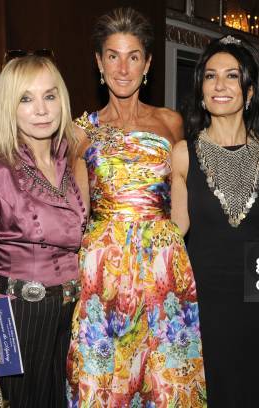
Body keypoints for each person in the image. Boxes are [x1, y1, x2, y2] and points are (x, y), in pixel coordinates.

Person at [66, 8, 207, 407]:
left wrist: (170, 248)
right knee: (102, 379)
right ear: (99, 62)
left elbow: (183, 204)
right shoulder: (82, 130)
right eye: (112, 55)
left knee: (167, 381)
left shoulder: (170, 124)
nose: (122, 68)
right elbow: (79, 213)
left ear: (147, 64)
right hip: (103, 271)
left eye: (133, 56)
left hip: (162, 268)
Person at [0, 55, 87, 407]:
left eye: (49, 96)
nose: (41, 109)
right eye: (26, 98)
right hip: (17, 318)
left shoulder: (69, 168)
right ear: (10, 107)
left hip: (66, 316)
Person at [171, 35, 259, 407]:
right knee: (212, 390)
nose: (219, 85)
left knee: (257, 388)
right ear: (201, 90)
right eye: (209, 76)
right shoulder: (182, 154)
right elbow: (175, 232)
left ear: (250, 90)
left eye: (231, 76)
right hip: (206, 297)